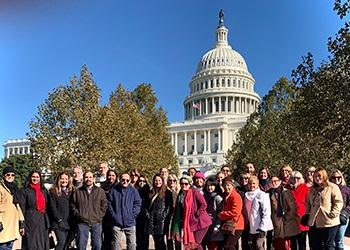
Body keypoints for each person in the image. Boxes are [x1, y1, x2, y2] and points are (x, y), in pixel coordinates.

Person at [171, 175, 212, 250]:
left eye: (186, 184)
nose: (184, 185)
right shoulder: (181, 194)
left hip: (201, 222)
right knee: (193, 244)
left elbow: (204, 204)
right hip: (191, 223)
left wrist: (196, 214)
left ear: (190, 184)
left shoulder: (194, 192)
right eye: (182, 184)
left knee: (196, 243)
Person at [306, 167, 343, 250]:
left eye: (319, 176)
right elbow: (308, 203)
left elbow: (339, 202)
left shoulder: (332, 187)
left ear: (324, 176)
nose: (317, 178)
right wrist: (308, 214)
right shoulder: (312, 189)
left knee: (328, 246)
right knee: (314, 246)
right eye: (315, 176)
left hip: (329, 222)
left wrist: (333, 213)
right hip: (314, 223)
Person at [71, 171, 108, 250]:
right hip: (82, 222)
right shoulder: (78, 191)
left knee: (97, 245)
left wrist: (99, 216)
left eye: (90, 177)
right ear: (83, 179)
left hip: (96, 222)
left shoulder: (100, 191)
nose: (88, 179)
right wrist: (79, 215)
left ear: (94, 179)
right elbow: (73, 205)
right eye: (86, 177)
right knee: (81, 246)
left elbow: (104, 205)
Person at [108, 173, 141, 250]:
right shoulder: (114, 190)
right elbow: (109, 204)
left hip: (130, 222)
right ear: (120, 179)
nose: (125, 181)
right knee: (116, 244)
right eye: (123, 180)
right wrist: (114, 216)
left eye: (127, 180)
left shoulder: (133, 190)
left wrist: (132, 216)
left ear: (129, 180)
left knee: (132, 244)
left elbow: (137, 204)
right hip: (117, 222)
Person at [19, 170, 50, 250]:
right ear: (30, 178)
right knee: (31, 244)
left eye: (37, 177)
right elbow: (21, 208)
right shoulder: (25, 191)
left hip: (42, 221)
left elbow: (48, 206)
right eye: (33, 177)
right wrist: (21, 224)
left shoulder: (44, 191)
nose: (35, 179)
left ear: (40, 178)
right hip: (30, 221)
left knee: (42, 244)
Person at [244, 176, 273, 250]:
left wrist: (263, 227)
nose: (252, 185)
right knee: (252, 245)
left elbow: (267, 212)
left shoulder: (262, 195)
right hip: (251, 226)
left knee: (258, 245)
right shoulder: (246, 195)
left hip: (261, 225)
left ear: (257, 184)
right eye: (250, 183)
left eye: (254, 183)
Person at [145, 174, 173, 250]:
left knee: (161, 241)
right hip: (152, 220)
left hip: (161, 222)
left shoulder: (167, 193)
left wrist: (163, 217)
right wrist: (147, 214)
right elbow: (146, 205)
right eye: (156, 180)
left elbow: (169, 207)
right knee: (156, 241)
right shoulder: (151, 192)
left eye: (159, 180)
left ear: (162, 181)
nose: (157, 182)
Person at [0, 166, 24, 250]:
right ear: (3, 175)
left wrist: (21, 222)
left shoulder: (15, 189)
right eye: (8, 175)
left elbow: (18, 206)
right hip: (3, 223)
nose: (10, 177)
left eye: (12, 175)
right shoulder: (1, 187)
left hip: (12, 224)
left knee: (9, 246)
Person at [49, 172, 74, 250]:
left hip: (69, 222)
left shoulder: (71, 191)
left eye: (66, 179)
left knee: (67, 243)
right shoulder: (53, 191)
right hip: (58, 222)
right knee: (61, 242)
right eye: (62, 179)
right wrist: (59, 219)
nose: (64, 181)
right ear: (58, 180)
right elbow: (52, 207)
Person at [218, 177, 244, 250]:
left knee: (229, 246)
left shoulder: (235, 196)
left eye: (228, 185)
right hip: (229, 224)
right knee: (229, 246)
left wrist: (222, 214)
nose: (226, 187)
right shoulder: (227, 196)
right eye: (225, 185)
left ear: (233, 186)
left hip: (237, 224)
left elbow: (235, 212)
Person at [330, 169, 350, 250]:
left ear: (341, 178)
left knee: (339, 240)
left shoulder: (346, 189)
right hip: (331, 217)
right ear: (330, 178)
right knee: (331, 241)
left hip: (343, 217)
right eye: (334, 177)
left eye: (338, 177)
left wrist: (346, 211)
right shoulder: (328, 189)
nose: (336, 179)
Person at [290, 171, 309, 250]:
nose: (295, 180)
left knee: (302, 243)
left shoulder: (306, 188)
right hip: (291, 220)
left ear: (301, 178)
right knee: (293, 243)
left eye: (298, 178)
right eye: (293, 178)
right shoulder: (287, 189)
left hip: (302, 219)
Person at [269, 176, 290, 250]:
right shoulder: (269, 193)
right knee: (278, 238)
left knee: (287, 239)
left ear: (280, 181)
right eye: (272, 181)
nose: (274, 183)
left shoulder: (286, 191)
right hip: (275, 218)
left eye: (275, 181)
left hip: (286, 218)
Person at [203, 177, 224, 250]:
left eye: (212, 185)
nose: (209, 187)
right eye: (208, 185)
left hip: (215, 227)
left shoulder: (218, 198)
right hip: (207, 226)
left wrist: (217, 226)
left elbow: (221, 213)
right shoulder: (204, 196)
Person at [282, 174, 301, 250]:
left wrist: (286, 217)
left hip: (292, 220)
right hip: (287, 221)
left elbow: (293, 208)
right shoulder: (285, 191)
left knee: (296, 242)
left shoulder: (288, 192)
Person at [100, 169, 118, 250]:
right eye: (109, 175)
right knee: (106, 238)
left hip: (115, 215)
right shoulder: (102, 186)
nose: (111, 177)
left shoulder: (118, 186)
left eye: (113, 175)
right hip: (105, 216)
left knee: (115, 239)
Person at [135, 175, 151, 250]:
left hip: (146, 218)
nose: (142, 183)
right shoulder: (134, 191)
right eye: (140, 181)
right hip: (137, 217)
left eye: (143, 181)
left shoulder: (149, 192)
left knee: (145, 239)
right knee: (138, 239)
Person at [166, 174, 181, 250]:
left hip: (177, 219)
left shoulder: (180, 192)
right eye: (170, 180)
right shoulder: (165, 192)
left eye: (174, 180)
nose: (172, 182)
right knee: (169, 240)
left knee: (177, 240)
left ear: (176, 181)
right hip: (168, 219)